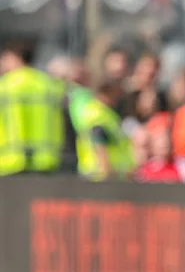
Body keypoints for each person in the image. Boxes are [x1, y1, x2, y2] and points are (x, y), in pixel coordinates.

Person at [0, 41, 71, 176]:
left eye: (5, 58)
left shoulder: (4, 86)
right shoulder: (50, 85)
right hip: (46, 161)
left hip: (9, 162)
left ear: (15, 57)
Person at [75, 82, 135, 181]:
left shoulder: (103, 113)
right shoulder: (97, 115)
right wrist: (106, 170)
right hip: (101, 176)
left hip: (102, 175)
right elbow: (98, 141)